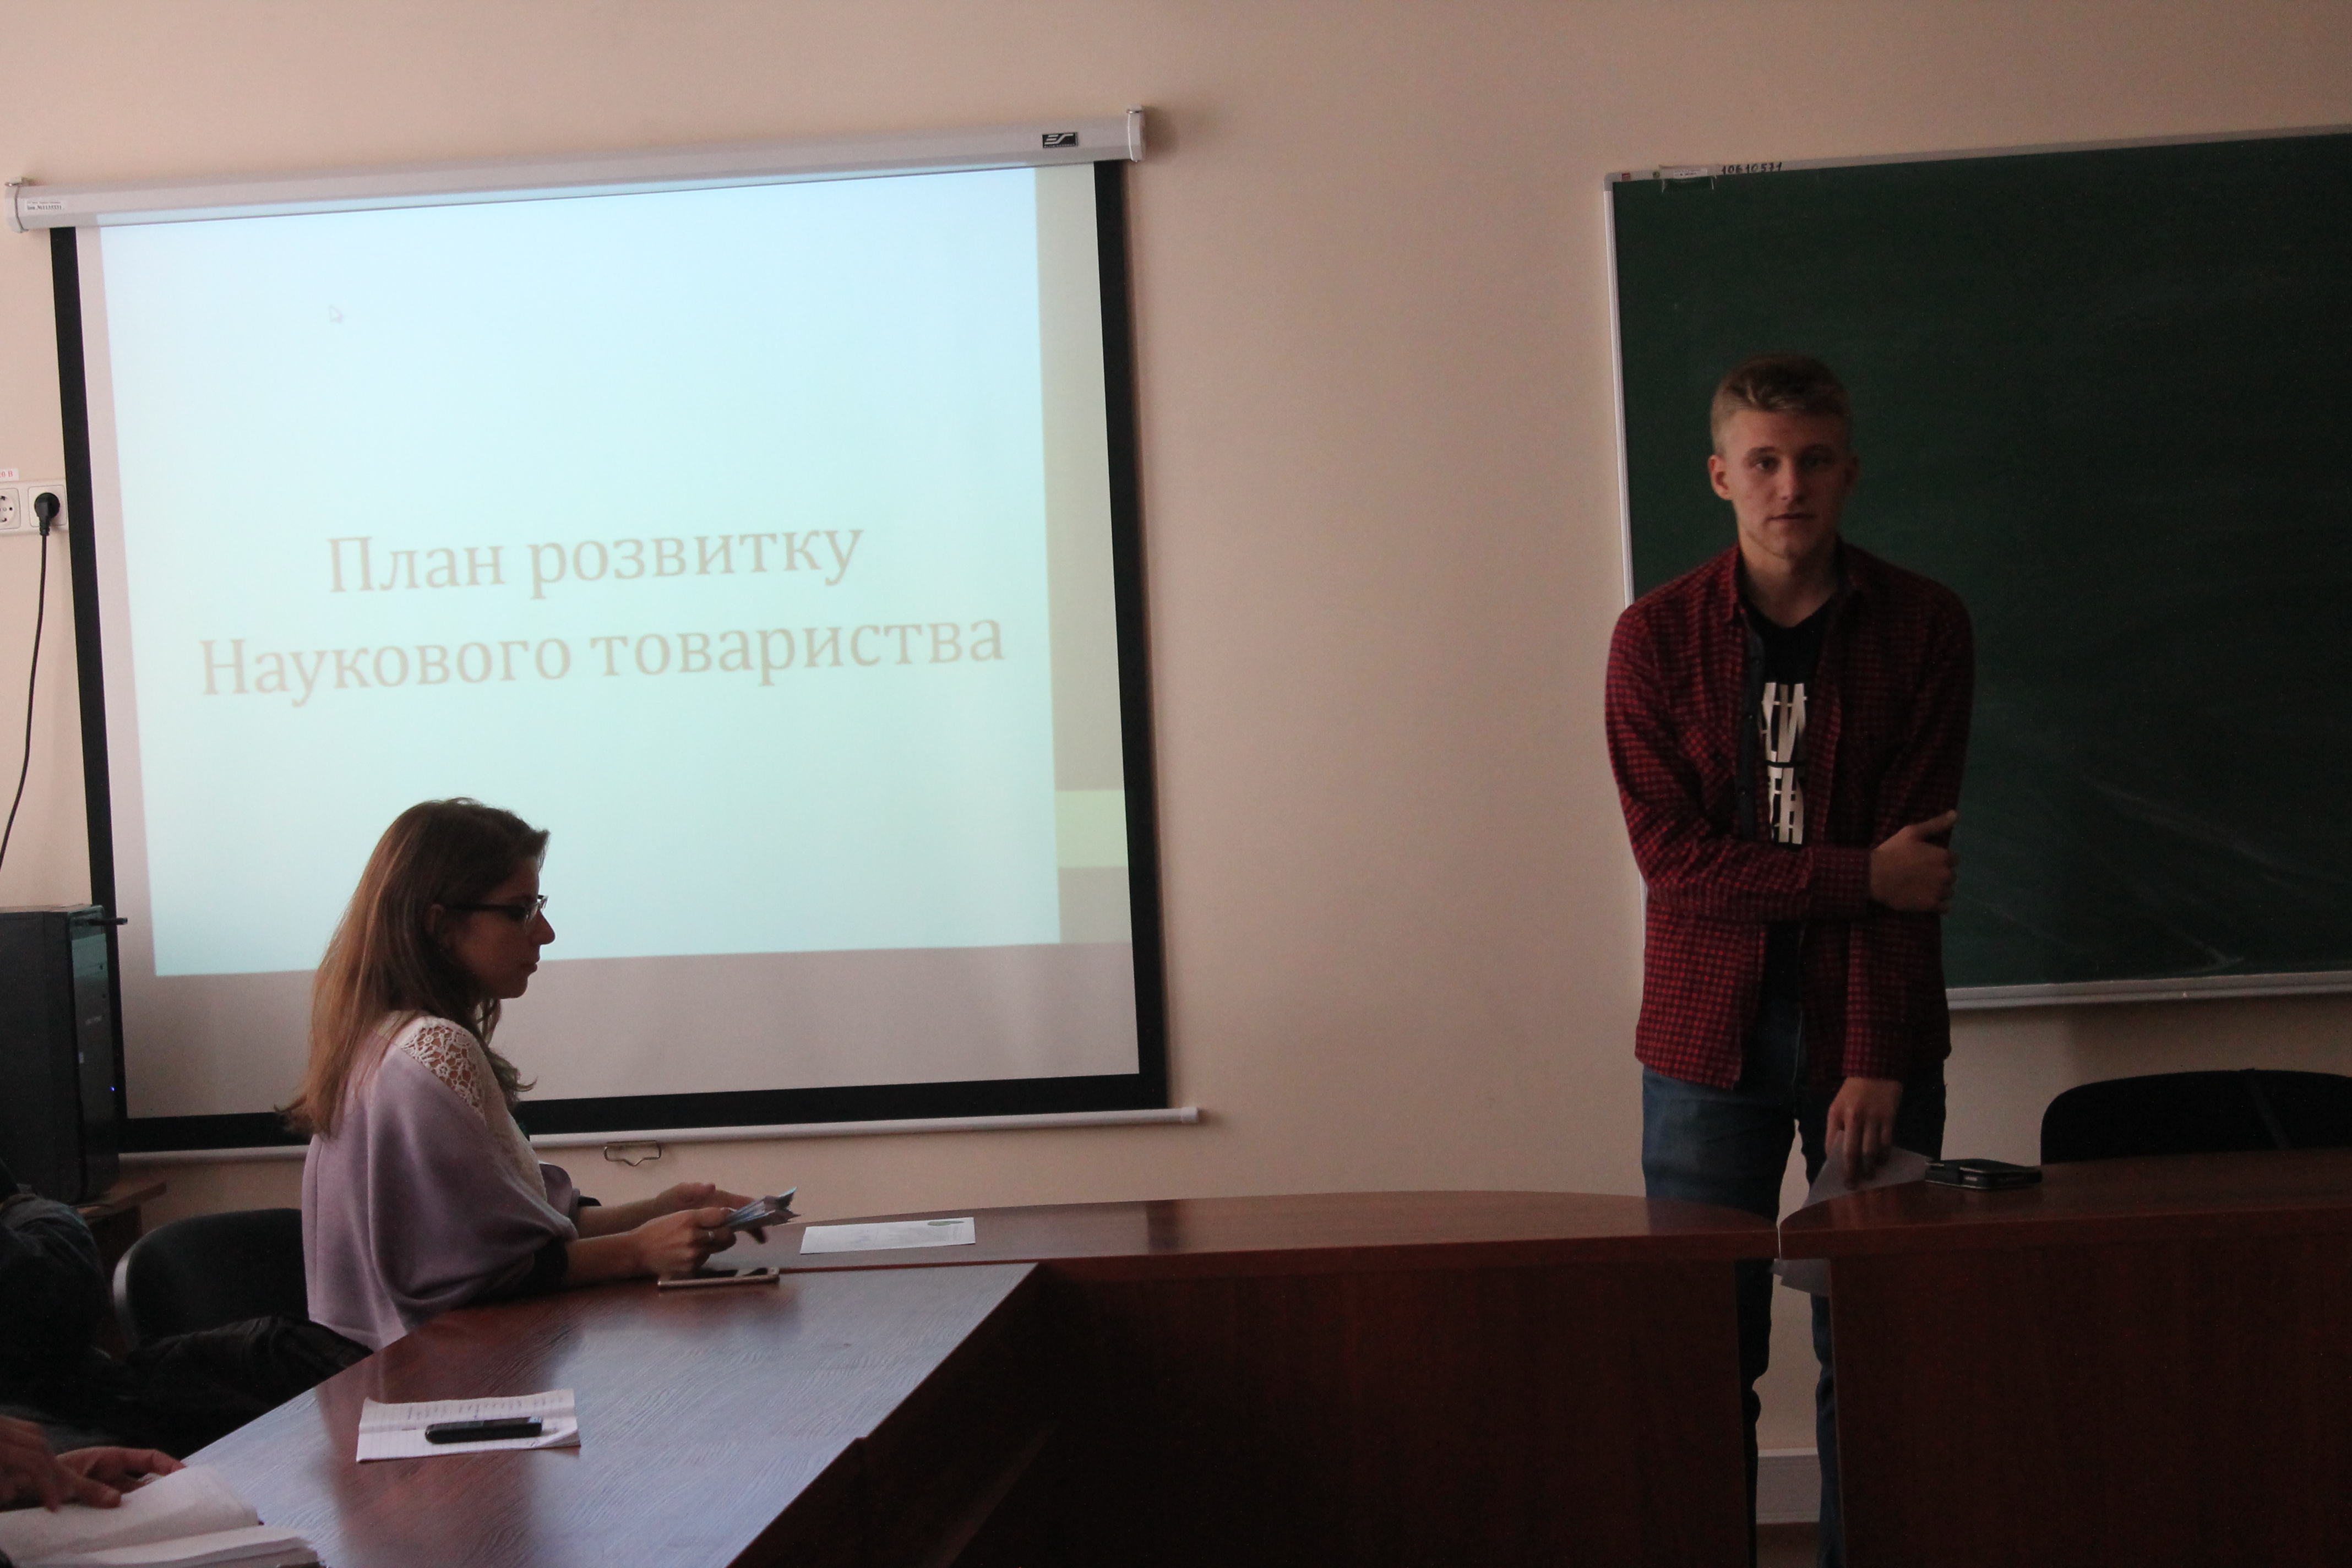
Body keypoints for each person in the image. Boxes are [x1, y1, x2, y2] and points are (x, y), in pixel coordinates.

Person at [1604, 355, 1971, 1567]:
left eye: (1813, 460)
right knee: (1702, 1346)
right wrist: (1858, 873)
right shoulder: (1655, 638)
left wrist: (1876, 1055)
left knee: (1874, 1346)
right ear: (1720, 476)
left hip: (1870, 1036)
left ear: (1849, 472)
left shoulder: (1923, 626)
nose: (1789, 485)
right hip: (1704, 1043)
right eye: (1762, 461)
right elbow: (1677, 865)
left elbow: (1920, 862)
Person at [290, 799, 763, 1351]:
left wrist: (664, 1210)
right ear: (439, 925)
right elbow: (485, 1271)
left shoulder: (380, 1039)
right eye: (519, 911)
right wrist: (639, 1249)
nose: (546, 932)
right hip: (438, 1375)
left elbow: (516, 1226)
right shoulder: (433, 1049)